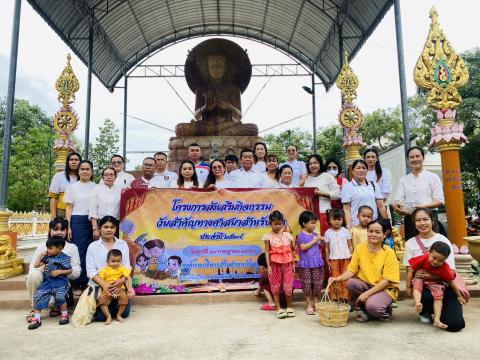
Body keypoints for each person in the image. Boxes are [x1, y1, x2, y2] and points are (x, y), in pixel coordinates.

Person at [403, 208, 465, 331]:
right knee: (423, 293)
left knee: (455, 324)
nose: (422, 223)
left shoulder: (443, 240)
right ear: (414, 223)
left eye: (425, 219)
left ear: (432, 220)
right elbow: (409, 269)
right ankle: (425, 310)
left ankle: (439, 315)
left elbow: (451, 272)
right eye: (418, 220)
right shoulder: (410, 243)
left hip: (445, 286)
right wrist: (410, 284)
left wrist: (430, 276)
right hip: (424, 288)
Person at [329, 219, 400, 322]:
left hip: (385, 289)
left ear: (384, 234)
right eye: (370, 231)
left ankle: (382, 310)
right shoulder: (359, 248)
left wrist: (366, 294)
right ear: (367, 232)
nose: (373, 234)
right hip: (367, 285)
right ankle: (367, 310)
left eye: (377, 232)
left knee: (373, 307)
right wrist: (337, 278)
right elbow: (351, 271)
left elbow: (387, 281)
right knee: (351, 283)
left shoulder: (389, 252)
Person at [26, 218, 81, 323]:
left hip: (62, 281)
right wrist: (43, 268)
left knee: (58, 296)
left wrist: (61, 271)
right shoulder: (43, 248)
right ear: (50, 231)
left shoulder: (72, 248)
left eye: (62, 229)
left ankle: (61, 312)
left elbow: (76, 271)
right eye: (55, 229)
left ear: (67, 231)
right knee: (33, 275)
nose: (59, 232)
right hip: (46, 281)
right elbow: (33, 267)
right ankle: (35, 310)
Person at [406, 241, 466, 329]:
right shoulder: (422, 258)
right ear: (429, 252)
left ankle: (437, 320)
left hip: (436, 284)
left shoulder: (445, 268)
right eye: (434, 258)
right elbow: (411, 270)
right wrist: (408, 286)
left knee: (438, 295)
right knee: (417, 282)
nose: (436, 262)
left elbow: (451, 282)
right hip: (421, 280)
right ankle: (418, 303)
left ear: (445, 260)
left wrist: (459, 296)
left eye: (440, 260)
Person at [86, 216, 134, 322]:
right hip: (100, 285)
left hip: (120, 284)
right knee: (100, 317)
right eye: (105, 227)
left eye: (112, 227)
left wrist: (120, 282)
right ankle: (109, 308)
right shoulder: (93, 246)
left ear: (115, 229)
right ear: (99, 229)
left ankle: (115, 308)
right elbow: (90, 271)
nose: (109, 229)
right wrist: (104, 285)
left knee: (125, 314)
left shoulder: (122, 244)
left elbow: (127, 267)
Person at [392, 146, 444, 241]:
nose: (415, 159)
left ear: (423, 158)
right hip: (410, 218)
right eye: (412, 157)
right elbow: (398, 200)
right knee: (412, 246)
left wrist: (422, 206)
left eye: (417, 156)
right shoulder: (404, 180)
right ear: (408, 160)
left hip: (429, 217)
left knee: (432, 246)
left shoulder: (433, 177)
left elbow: (439, 200)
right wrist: (396, 206)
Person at [28, 236, 73, 330]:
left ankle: (64, 315)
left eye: (50, 248)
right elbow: (36, 265)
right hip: (48, 282)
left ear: (59, 248)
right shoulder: (47, 257)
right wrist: (40, 255)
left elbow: (70, 270)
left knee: (60, 296)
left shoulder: (64, 258)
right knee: (38, 295)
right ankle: (37, 318)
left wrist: (60, 272)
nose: (48, 250)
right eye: (47, 248)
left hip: (60, 282)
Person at [64, 160, 96, 289]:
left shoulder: (96, 186)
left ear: (92, 172)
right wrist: (69, 226)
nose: (85, 171)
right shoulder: (72, 187)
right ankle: (78, 282)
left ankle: (91, 280)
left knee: (92, 250)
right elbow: (68, 208)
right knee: (80, 251)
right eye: (82, 169)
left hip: (93, 221)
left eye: (88, 169)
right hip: (77, 221)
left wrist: (96, 226)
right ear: (78, 171)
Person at [262, 210, 295, 319]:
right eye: (275, 224)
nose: (278, 226)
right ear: (270, 223)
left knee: (288, 285)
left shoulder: (287, 235)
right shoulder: (268, 237)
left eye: (280, 223)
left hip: (287, 264)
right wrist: (268, 265)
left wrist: (293, 264)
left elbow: (291, 250)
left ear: (283, 223)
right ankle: (278, 308)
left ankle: (289, 307)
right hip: (274, 264)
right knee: (275, 286)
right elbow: (267, 251)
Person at [341, 159, 388, 228]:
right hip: (356, 225)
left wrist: (387, 223)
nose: (361, 170)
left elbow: (381, 206)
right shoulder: (347, 186)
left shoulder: (373, 185)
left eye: (364, 168)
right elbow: (346, 209)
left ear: (367, 171)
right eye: (358, 168)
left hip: (373, 225)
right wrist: (348, 226)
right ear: (353, 171)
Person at [303, 154, 341, 235]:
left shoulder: (327, 176)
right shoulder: (307, 179)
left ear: (320, 163)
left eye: (315, 163)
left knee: (324, 240)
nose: (313, 165)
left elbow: (338, 194)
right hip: (310, 215)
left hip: (324, 214)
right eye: (310, 164)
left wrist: (323, 194)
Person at [296, 211, 324, 315]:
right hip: (305, 264)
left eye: (315, 223)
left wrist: (322, 241)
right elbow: (303, 247)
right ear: (304, 223)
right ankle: (308, 304)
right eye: (312, 223)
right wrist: (315, 240)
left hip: (316, 263)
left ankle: (316, 303)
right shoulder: (301, 235)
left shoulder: (315, 235)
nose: (314, 225)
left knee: (317, 284)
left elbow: (319, 247)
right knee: (307, 285)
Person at [324, 208, 352, 301]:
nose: (336, 221)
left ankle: (346, 298)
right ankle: (336, 298)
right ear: (329, 220)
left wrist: (352, 257)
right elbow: (327, 248)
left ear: (342, 219)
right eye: (334, 219)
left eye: (339, 219)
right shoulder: (328, 233)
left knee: (346, 278)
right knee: (335, 278)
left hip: (346, 258)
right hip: (334, 259)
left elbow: (350, 245)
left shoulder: (346, 231)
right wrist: (327, 260)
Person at [97, 249, 131, 324]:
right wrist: (100, 292)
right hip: (107, 289)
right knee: (102, 300)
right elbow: (101, 282)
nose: (116, 263)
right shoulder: (104, 270)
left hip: (120, 289)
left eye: (118, 261)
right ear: (107, 261)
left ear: (121, 261)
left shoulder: (122, 268)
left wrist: (129, 289)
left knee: (124, 299)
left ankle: (118, 315)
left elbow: (128, 278)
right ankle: (108, 316)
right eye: (113, 261)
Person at [89, 167, 121, 240]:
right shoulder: (96, 190)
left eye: (111, 175)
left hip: (116, 224)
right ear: (102, 177)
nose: (109, 177)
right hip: (101, 223)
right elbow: (93, 210)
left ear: (115, 177)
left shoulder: (120, 190)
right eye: (106, 175)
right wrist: (95, 229)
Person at [48, 151, 81, 218]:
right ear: (67, 162)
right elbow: (52, 197)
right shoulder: (59, 175)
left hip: (79, 212)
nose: (74, 162)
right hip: (62, 211)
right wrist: (53, 217)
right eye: (71, 160)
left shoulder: (83, 177)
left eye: (76, 160)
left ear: (80, 162)